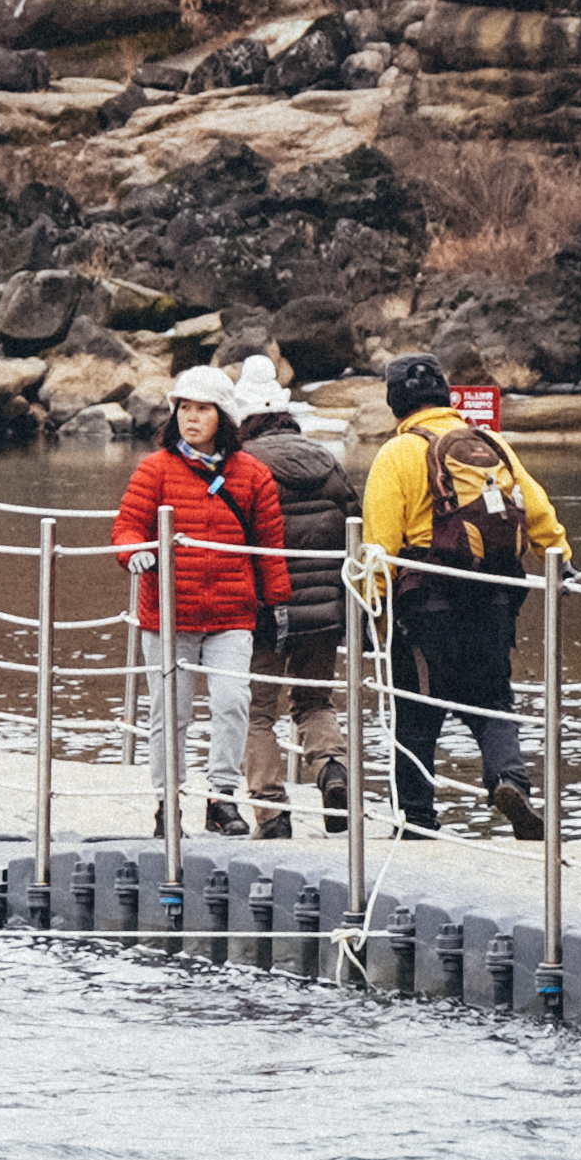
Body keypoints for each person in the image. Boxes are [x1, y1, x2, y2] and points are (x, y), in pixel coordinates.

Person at [360, 355, 567, 838]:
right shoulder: (491, 444)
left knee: (416, 716)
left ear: (395, 404)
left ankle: (417, 822)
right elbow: (537, 509)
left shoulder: (398, 453)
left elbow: (380, 545)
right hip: (493, 601)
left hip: (424, 608)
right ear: (447, 396)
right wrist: (558, 552)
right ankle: (508, 779)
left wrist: (374, 611)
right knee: (492, 701)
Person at [116, 364, 294, 834]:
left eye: (203, 409)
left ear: (224, 416)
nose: (191, 418)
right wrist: (135, 552)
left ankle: (222, 798)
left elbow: (268, 546)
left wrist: (277, 604)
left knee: (233, 703)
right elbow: (127, 526)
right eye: (184, 409)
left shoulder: (252, 475)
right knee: (169, 713)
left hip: (231, 613)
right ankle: (167, 803)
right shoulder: (154, 469)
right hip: (169, 614)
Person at [230, 357, 353, 835]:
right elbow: (354, 527)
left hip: (266, 610)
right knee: (314, 702)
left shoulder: (243, 467)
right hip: (325, 609)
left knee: (257, 711)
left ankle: (272, 813)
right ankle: (332, 770)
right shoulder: (327, 461)